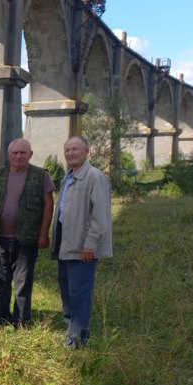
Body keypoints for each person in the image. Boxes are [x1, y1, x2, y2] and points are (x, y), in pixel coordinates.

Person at [0, 138, 54, 326]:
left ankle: (21, 321)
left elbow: (48, 205)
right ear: (8, 155)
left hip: (26, 239)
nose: (19, 156)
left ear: (30, 155)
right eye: (15, 153)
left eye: (23, 153)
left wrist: (44, 233)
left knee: (23, 282)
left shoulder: (40, 175)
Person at [52, 136, 112, 348]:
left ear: (87, 151)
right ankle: (72, 333)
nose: (70, 154)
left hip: (82, 246)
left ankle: (78, 340)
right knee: (67, 291)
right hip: (66, 244)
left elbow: (101, 217)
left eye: (75, 149)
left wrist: (91, 244)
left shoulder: (95, 177)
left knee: (79, 293)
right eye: (67, 150)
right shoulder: (68, 177)